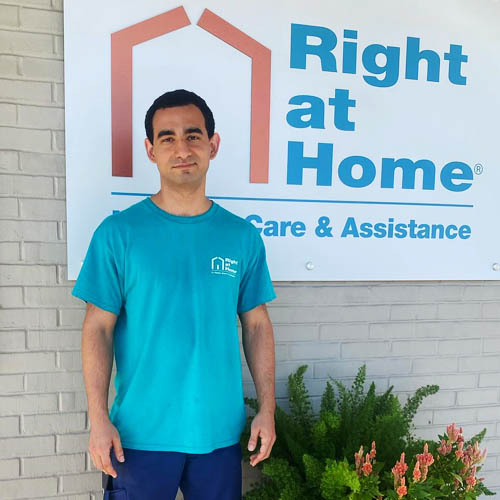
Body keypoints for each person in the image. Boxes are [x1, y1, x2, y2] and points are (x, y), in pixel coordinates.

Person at [72, 89, 277, 500]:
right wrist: (97, 418)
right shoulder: (119, 235)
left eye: (193, 135)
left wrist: (266, 411)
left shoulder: (241, 237)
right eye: (167, 137)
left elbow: (256, 325)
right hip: (139, 437)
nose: (181, 148)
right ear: (150, 150)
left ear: (212, 145)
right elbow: (97, 328)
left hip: (218, 434)